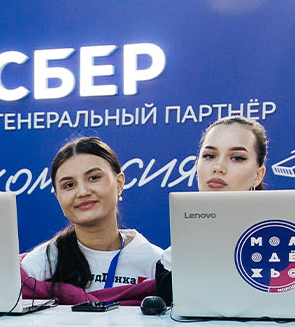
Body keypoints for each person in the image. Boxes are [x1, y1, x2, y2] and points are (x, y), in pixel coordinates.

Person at [21, 136, 164, 305]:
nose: (82, 192)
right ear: (58, 197)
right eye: (69, 185)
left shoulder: (155, 263)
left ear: (119, 183)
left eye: (94, 178)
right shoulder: (40, 265)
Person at [155, 115, 271, 301]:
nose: (218, 167)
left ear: (258, 175)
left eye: (237, 158)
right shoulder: (171, 259)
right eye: (209, 156)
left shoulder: (282, 247)